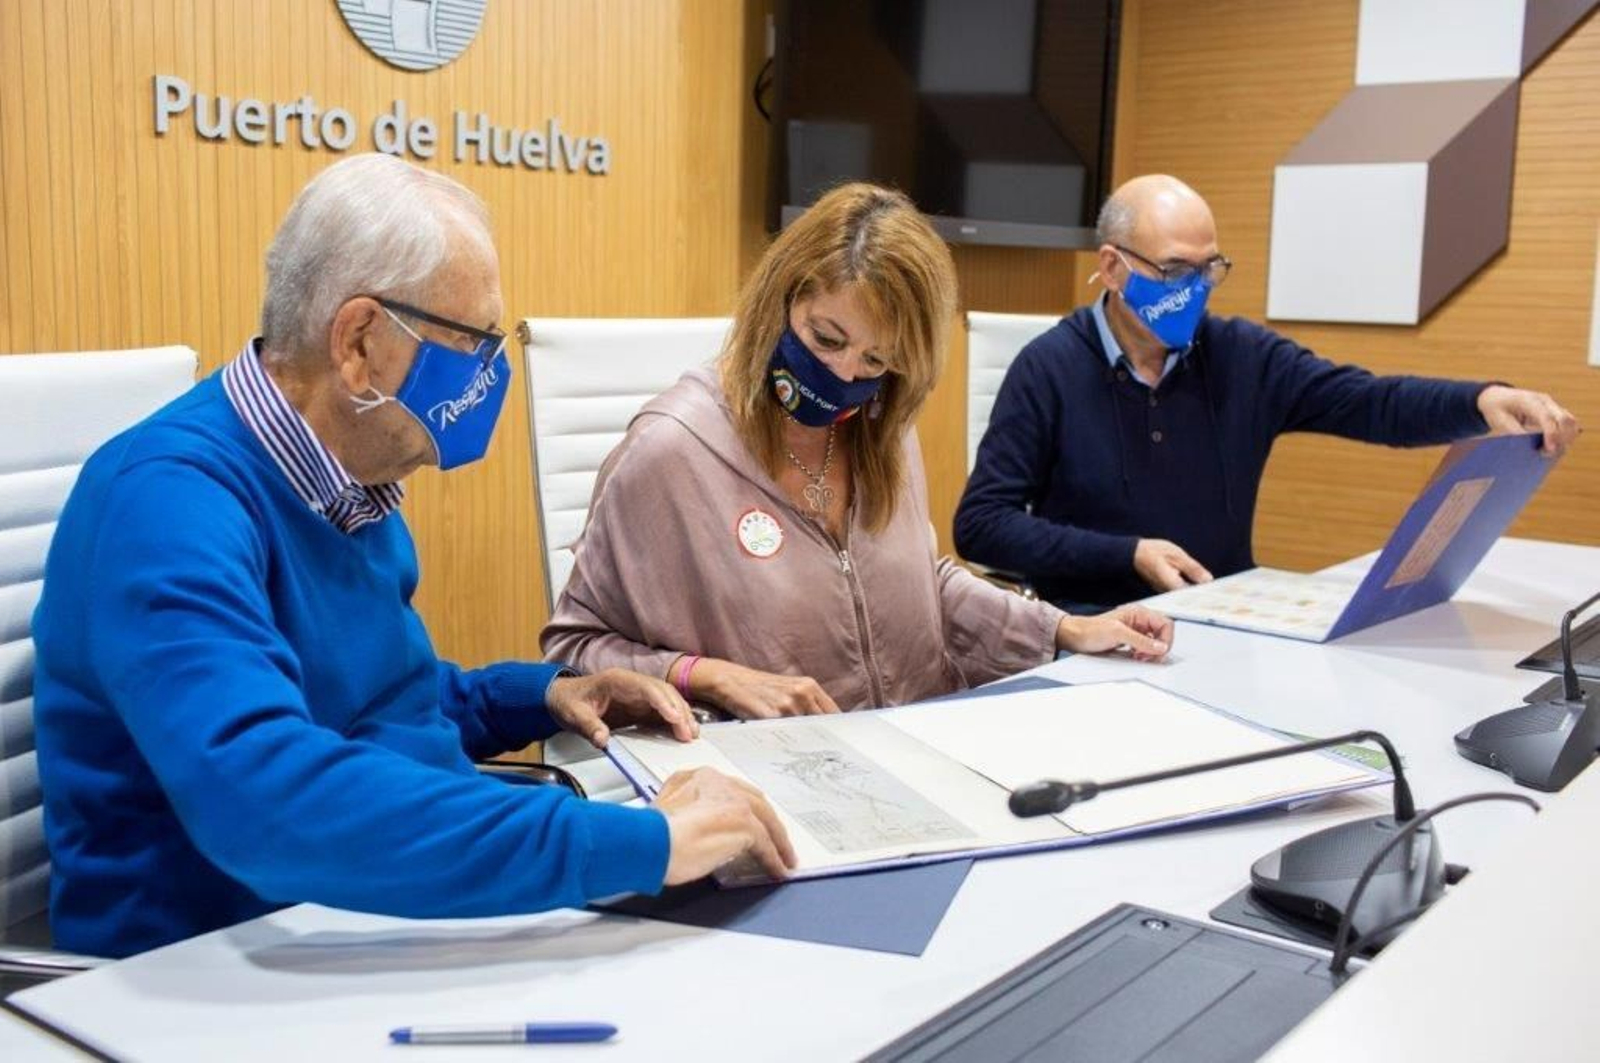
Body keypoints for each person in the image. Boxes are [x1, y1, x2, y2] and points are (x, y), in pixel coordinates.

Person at [31, 154, 793, 959]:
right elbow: (267, 803)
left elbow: (374, 702)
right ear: (358, 340)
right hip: (229, 961)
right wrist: (647, 844)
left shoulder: (349, 481)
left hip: (359, 919)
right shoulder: (165, 503)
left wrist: (546, 695)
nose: (488, 375)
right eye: (472, 343)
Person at [540, 183, 1173, 718]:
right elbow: (572, 652)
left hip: (914, 751)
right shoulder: (670, 451)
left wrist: (1061, 629)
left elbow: (918, 584)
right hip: (767, 790)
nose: (844, 375)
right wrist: (703, 675)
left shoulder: (882, 424)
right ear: (783, 299)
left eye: (875, 358)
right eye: (826, 338)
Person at [954, 174, 1582, 612]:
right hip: (1092, 628)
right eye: (1175, 271)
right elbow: (982, 526)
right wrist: (1128, 555)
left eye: (1209, 269)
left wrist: (1479, 403)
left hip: (1223, 622)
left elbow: (1370, 401)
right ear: (1113, 268)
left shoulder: (1242, 356)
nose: (1195, 290)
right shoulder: (1048, 368)